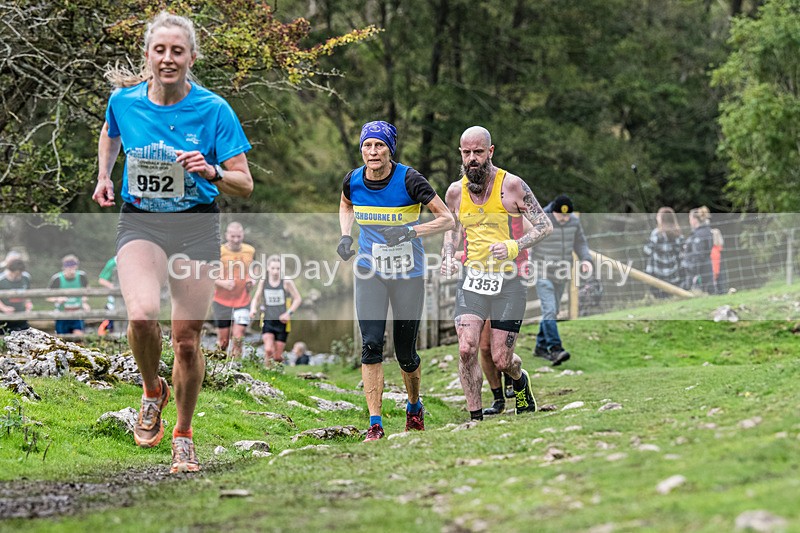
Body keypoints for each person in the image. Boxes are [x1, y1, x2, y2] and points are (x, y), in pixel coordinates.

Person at [91, 11, 253, 474]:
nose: (167, 59)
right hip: (140, 222)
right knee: (141, 315)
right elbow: (110, 133)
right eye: (159, 50)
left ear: (191, 57)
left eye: (177, 51)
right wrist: (105, 176)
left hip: (195, 227)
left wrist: (212, 170)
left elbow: (245, 183)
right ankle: (151, 390)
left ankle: (183, 433)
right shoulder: (124, 101)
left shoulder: (214, 109)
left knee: (186, 342)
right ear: (148, 55)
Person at [338, 120, 454, 441]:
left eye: (379, 146)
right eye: (367, 146)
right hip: (369, 270)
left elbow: (447, 219)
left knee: (405, 352)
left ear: (390, 149)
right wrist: (346, 236)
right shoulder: (353, 180)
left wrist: (409, 230)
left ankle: (414, 407)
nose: (373, 152)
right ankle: (375, 423)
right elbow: (346, 203)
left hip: (408, 273)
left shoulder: (410, 179)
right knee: (371, 344)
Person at [441, 125, 551, 422]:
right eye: (467, 153)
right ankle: (475, 417)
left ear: (490, 152)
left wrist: (514, 246)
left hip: (509, 282)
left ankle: (519, 379)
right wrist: (449, 257)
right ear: (461, 155)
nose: (472, 158)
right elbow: (451, 232)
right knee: (466, 348)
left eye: (478, 152)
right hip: (472, 279)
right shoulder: (454, 192)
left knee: (501, 359)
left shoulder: (511, 185)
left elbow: (544, 226)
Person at [530, 194, 592, 366]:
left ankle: (540, 346)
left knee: (553, 310)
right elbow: (529, 243)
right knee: (549, 310)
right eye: (561, 215)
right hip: (542, 272)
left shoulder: (574, 221)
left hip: (562, 273)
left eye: (567, 215)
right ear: (553, 211)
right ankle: (555, 348)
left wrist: (586, 259)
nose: (565, 219)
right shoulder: (541, 219)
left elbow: (580, 243)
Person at [212, 222, 255, 357]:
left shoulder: (250, 250)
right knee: (223, 342)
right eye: (233, 236)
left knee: (238, 337)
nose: (236, 240)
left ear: (243, 235)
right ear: (227, 236)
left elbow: (254, 270)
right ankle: (219, 369)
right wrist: (223, 283)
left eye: (239, 236)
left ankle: (236, 369)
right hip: (221, 300)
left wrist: (252, 280)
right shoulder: (219, 252)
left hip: (242, 300)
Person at [250, 255, 302, 366]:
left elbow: (298, 299)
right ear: (268, 268)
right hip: (268, 319)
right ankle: (266, 372)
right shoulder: (264, 282)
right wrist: (253, 309)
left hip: (283, 322)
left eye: (278, 268)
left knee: (277, 356)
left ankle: (277, 370)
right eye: (273, 268)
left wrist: (288, 313)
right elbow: (256, 298)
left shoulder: (286, 282)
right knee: (268, 350)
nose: (275, 271)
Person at [643, 207, 684, 298]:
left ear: (661, 219)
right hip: (673, 273)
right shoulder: (678, 234)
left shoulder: (656, 233)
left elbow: (647, 250)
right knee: (671, 296)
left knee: (660, 298)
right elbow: (680, 254)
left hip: (657, 274)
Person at [47, 254, 90, 336]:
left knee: (79, 337)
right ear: (64, 267)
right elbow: (48, 296)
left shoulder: (81, 276)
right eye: (69, 267)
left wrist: (84, 302)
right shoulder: (57, 278)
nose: (71, 270)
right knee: (62, 339)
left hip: (77, 313)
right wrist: (58, 299)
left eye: (73, 267)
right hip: (62, 313)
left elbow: (87, 291)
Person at [682, 206, 714, 293]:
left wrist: (693, 270)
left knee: (704, 292)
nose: (689, 221)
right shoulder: (706, 231)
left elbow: (699, 254)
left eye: (690, 218)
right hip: (706, 268)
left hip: (700, 271)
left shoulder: (699, 234)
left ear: (694, 219)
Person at [0, 258, 32, 335]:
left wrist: (28, 305)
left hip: (21, 316)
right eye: (14, 273)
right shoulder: (1, 279)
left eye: (19, 274)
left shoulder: (26, 278)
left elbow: (27, 294)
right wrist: (4, 308)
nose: (16, 276)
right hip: (4, 317)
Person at [97, 255, 118, 336]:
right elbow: (102, 280)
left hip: (132, 301)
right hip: (114, 302)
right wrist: (115, 287)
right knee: (110, 325)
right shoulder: (113, 262)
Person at [710, 227, 726, 295]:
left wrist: (714, 276)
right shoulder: (719, 249)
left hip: (715, 275)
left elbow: (715, 265)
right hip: (721, 275)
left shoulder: (714, 251)